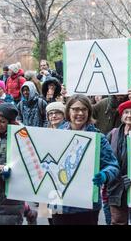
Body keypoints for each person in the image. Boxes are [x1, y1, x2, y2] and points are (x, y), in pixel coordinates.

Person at [51, 94, 119, 225]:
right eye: (75, 109)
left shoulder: (98, 138)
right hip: (59, 203)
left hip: (86, 205)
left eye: (84, 109)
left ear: (89, 111)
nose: (80, 113)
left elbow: (113, 166)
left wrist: (105, 174)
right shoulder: (55, 136)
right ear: (68, 111)